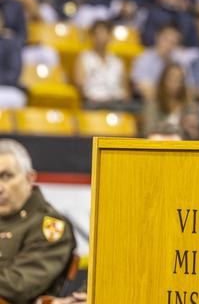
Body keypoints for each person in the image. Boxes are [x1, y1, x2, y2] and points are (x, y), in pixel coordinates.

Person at [0, 140, 76, 303]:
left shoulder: (50, 226)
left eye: (6, 176)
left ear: (30, 178)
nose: (0, 187)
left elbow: (18, 286)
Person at [74, 20, 129, 109]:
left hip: (117, 103)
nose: (102, 37)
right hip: (94, 103)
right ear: (92, 36)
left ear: (110, 36)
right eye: (98, 34)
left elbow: (125, 89)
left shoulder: (117, 61)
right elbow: (80, 85)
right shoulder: (84, 58)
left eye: (105, 33)